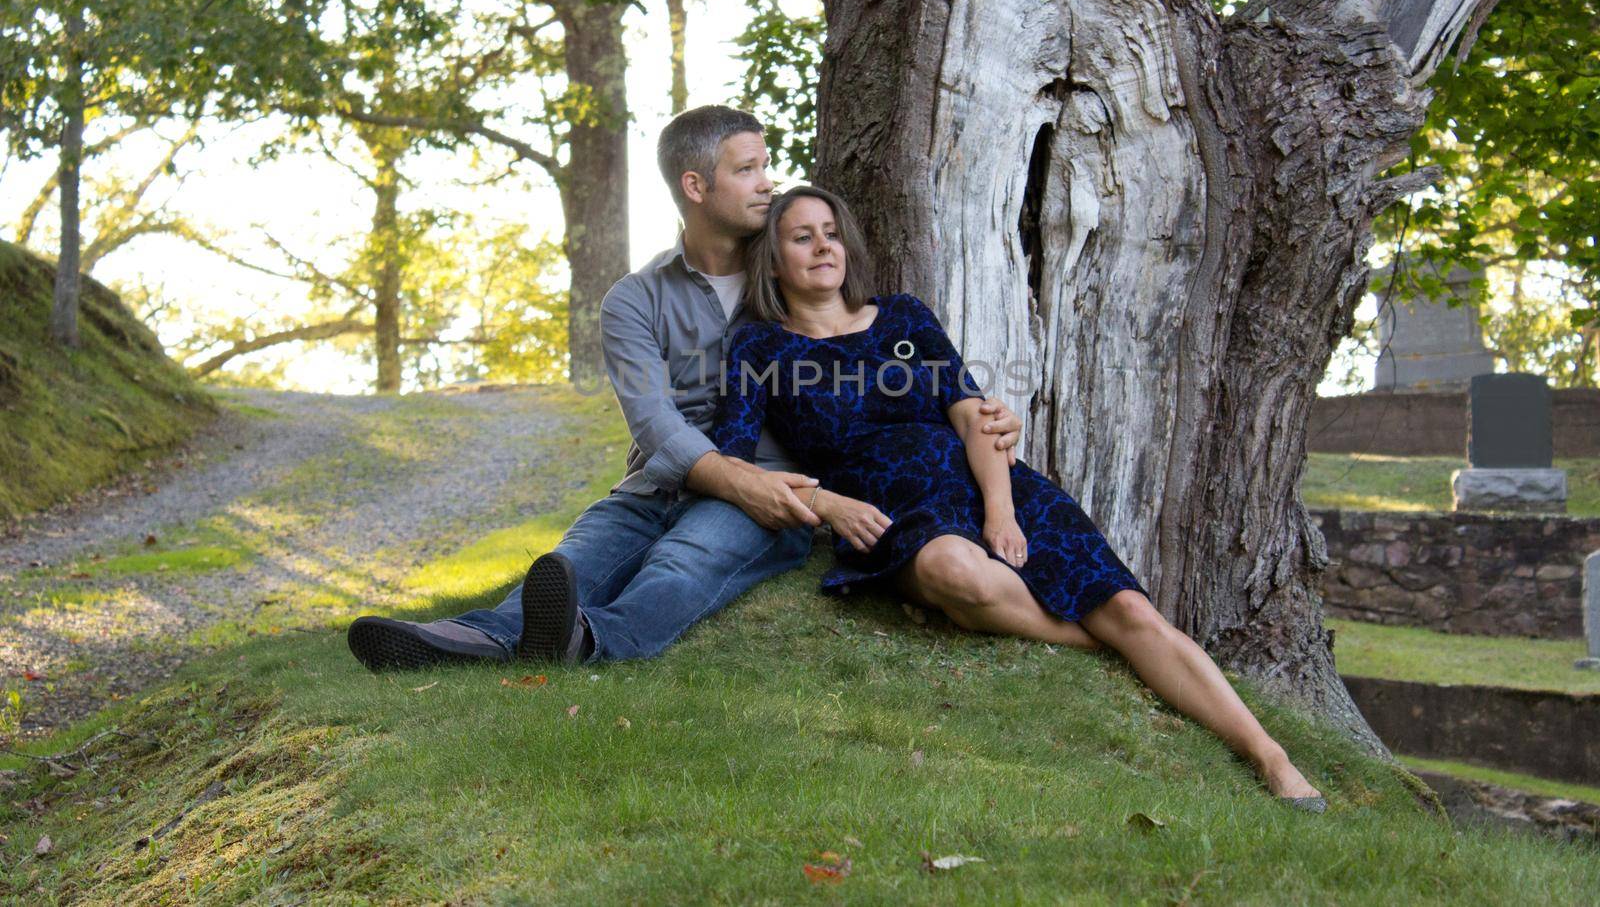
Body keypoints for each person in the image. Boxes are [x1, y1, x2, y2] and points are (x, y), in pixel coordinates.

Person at [710, 184, 1327, 809]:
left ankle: (1269, 756)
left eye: (831, 232)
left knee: (1134, 613)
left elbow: (975, 417)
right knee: (959, 573)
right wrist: (826, 504)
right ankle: (1105, 647)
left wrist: (1001, 512)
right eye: (802, 237)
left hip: (993, 485)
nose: (823, 246)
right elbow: (734, 460)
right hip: (897, 512)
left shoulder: (904, 317)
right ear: (774, 260)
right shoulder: (762, 348)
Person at [346, 106, 1026, 671]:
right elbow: (657, 425)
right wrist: (731, 478)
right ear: (696, 186)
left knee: (683, 562)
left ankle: (592, 639)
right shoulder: (634, 300)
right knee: (570, 560)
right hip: (659, 483)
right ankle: (466, 638)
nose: (767, 182)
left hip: (774, 489)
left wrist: (979, 419)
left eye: (767, 166)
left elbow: (887, 369)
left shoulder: (797, 277)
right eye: (748, 169)